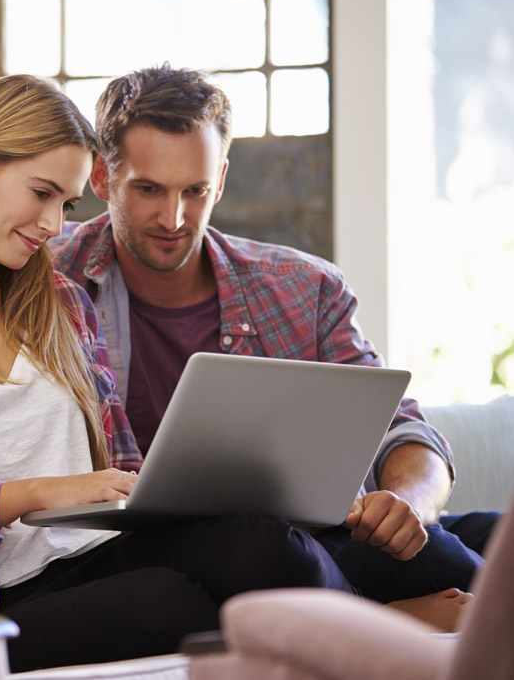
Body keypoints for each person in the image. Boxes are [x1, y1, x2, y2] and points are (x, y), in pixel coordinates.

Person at [0, 74, 355, 672]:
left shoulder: (62, 301)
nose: (54, 225)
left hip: (101, 550)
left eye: (68, 204)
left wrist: (171, 486)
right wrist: (41, 493)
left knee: (269, 547)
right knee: (174, 606)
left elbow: (118, 464)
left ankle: (387, 643)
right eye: (42, 193)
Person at [48, 64, 499, 629]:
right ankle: (387, 622)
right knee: (263, 544)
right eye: (148, 189)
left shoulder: (303, 288)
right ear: (100, 177)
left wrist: (408, 504)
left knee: (464, 543)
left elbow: (403, 430)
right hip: (194, 553)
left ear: (223, 176)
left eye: (196, 190)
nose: (174, 217)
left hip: (327, 535)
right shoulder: (46, 281)